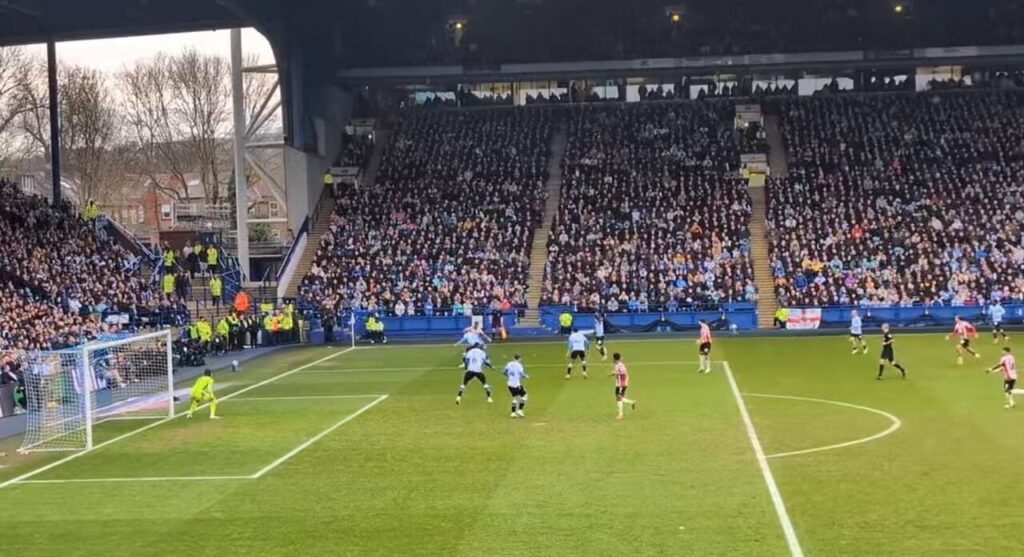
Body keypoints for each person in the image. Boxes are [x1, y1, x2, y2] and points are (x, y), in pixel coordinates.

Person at [610, 352, 637, 420]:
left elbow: (624, 372)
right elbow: (618, 372)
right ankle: (631, 402)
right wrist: (613, 374)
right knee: (618, 397)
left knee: (619, 397)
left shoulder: (620, 365)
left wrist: (615, 373)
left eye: (612, 358)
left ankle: (620, 414)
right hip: (618, 384)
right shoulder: (617, 365)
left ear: (614, 358)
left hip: (621, 384)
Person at [503, 353, 529, 418]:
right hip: (516, 385)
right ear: (519, 359)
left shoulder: (509, 364)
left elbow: (504, 372)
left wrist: (509, 376)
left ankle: (513, 413)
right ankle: (520, 410)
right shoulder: (519, 365)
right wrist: (525, 376)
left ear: (513, 358)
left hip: (509, 384)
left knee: (514, 397)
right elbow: (521, 373)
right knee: (525, 395)